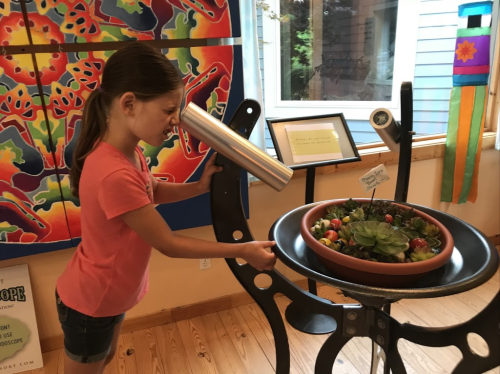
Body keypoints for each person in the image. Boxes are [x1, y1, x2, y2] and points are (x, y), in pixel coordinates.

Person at [56, 42, 276, 374]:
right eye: (169, 110)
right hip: (93, 302)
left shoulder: (128, 153)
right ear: (129, 103)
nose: (176, 121)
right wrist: (242, 249)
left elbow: (152, 190)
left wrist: (200, 187)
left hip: (108, 295)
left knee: (106, 357)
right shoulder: (113, 173)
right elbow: (168, 243)